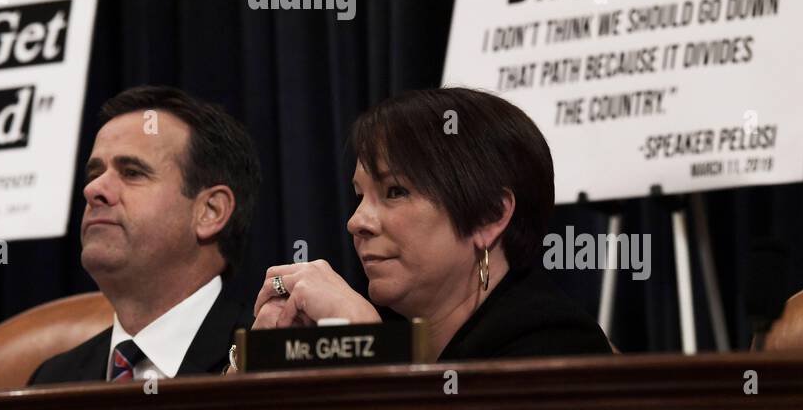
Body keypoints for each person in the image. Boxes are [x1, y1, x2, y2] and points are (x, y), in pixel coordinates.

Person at [251, 87, 611, 360]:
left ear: (490, 216)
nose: (356, 222)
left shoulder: (555, 344)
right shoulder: (386, 329)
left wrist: (365, 347)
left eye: (394, 191)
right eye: (359, 195)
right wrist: (252, 361)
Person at [30, 86, 258, 384]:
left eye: (132, 172)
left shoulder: (266, 356)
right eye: (94, 174)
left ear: (210, 211)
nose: (93, 190)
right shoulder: (52, 382)